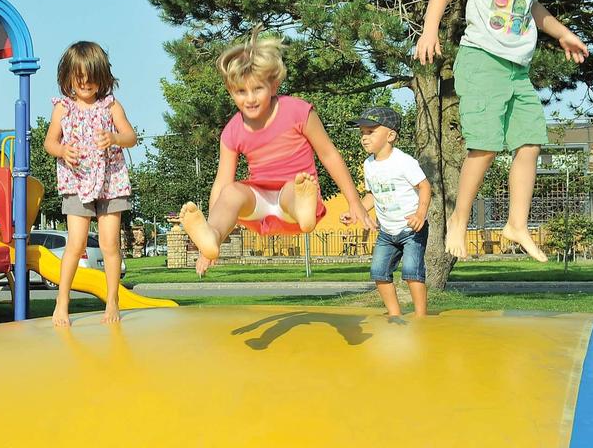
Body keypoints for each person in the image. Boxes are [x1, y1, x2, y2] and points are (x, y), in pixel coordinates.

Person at [414, 0, 588, 262]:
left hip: (517, 69)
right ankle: (459, 218)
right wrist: (429, 32)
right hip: (482, 61)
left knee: (530, 141)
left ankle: (516, 224)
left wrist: (563, 33)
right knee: (487, 144)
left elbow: (532, 8)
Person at [180, 25, 376, 277]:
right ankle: (212, 237)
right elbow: (221, 183)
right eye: (241, 91)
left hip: (294, 196)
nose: (250, 99)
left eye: (257, 89)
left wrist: (354, 201)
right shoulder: (232, 131)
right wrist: (207, 242)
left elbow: (329, 154)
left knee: (292, 188)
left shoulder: (298, 111)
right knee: (231, 191)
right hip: (260, 202)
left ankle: (304, 213)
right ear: (231, 91)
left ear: (273, 86)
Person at [44, 41, 137, 326]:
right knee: (76, 243)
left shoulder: (111, 106)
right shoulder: (63, 109)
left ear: (102, 77)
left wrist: (115, 138)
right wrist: (63, 151)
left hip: (110, 182)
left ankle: (112, 300)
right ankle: (62, 301)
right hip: (76, 181)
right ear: (69, 77)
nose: (85, 83)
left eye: (91, 78)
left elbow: (131, 137)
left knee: (110, 245)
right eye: (79, 78)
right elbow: (50, 142)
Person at [341, 107, 431, 318]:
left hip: (411, 228)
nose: (364, 137)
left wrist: (420, 214)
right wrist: (356, 211)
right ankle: (394, 314)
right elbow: (372, 194)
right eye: (362, 133)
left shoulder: (404, 162)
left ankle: (421, 316)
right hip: (386, 231)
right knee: (379, 272)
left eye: (370, 132)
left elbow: (425, 186)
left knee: (412, 272)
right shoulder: (369, 165)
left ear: (390, 135)